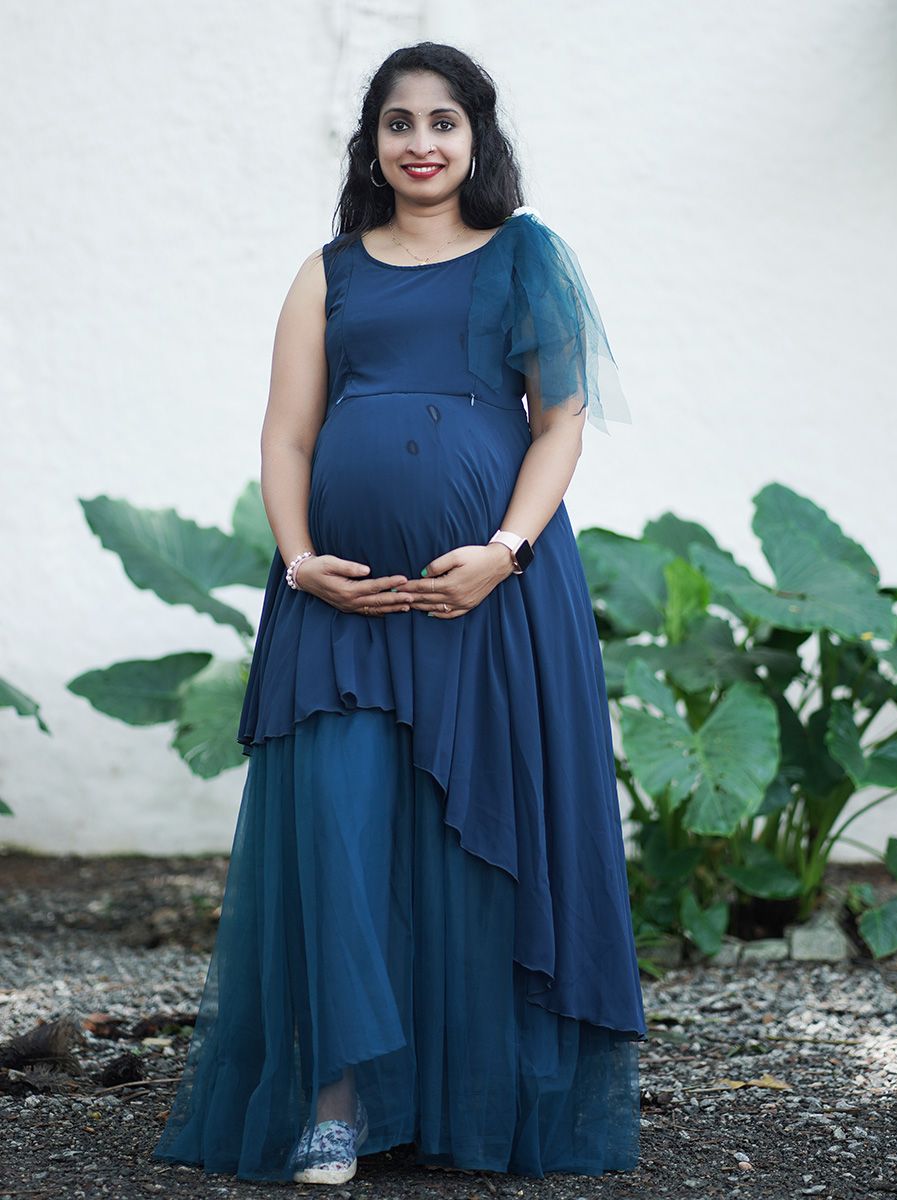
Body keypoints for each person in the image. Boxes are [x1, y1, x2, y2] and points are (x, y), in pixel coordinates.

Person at [151, 40, 647, 1187]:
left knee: (478, 849)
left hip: (493, 601)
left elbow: (560, 421)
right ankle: (336, 1105)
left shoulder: (525, 256)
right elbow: (287, 435)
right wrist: (299, 563)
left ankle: (474, 1106)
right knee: (338, 836)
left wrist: (505, 553)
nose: (421, 143)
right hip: (341, 608)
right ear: (371, 142)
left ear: (477, 137)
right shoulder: (327, 273)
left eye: (443, 122)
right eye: (397, 123)